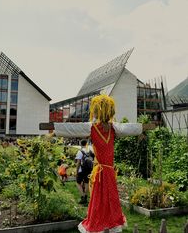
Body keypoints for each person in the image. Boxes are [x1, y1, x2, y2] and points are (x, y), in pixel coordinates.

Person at [52, 94, 147, 233]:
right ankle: (108, 221)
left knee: (102, 198)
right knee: (108, 198)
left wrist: (55, 130)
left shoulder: (99, 128)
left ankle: (107, 221)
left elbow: (72, 128)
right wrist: (141, 129)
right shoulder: (113, 128)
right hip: (106, 170)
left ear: (97, 111)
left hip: (104, 170)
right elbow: (129, 128)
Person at [75, 139, 94, 204]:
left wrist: (76, 171)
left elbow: (78, 163)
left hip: (81, 170)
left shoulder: (80, 152)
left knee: (78, 183)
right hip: (89, 169)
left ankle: (82, 196)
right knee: (86, 182)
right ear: (86, 144)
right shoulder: (90, 151)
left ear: (81, 144)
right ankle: (86, 196)